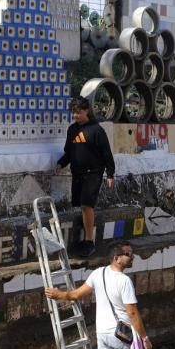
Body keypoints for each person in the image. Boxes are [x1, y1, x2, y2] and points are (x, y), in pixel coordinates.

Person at [56, 96, 115, 258]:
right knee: (81, 206)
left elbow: (106, 153)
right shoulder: (72, 130)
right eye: (73, 113)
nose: (76, 115)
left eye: (79, 112)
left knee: (87, 205)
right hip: (78, 173)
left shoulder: (96, 130)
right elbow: (69, 153)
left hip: (93, 173)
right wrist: (61, 164)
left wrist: (110, 174)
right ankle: (85, 240)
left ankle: (89, 241)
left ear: (86, 111)